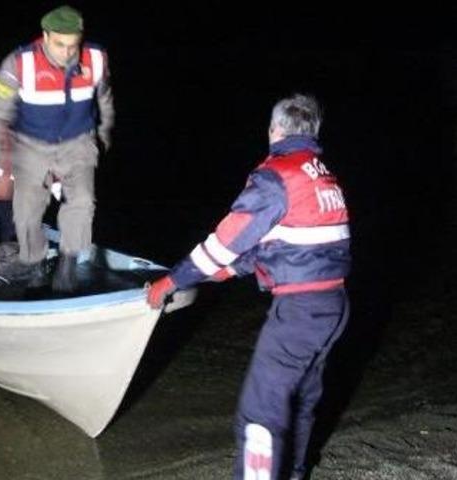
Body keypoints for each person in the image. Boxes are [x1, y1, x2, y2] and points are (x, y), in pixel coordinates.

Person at [147, 94, 351, 480]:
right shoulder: (322, 175)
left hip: (299, 312)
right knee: (302, 401)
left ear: (274, 130)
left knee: (260, 414)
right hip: (333, 305)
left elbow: (223, 243)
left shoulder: (276, 176)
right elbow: (289, 245)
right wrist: (224, 273)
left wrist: (170, 281)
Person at [0, 4, 114, 291]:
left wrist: (105, 129)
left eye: (73, 45)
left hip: (78, 141)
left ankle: (68, 263)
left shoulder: (96, 58)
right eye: (59, 45)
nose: (67, 52)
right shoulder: (19, 64)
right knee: (25, 211)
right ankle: (34, 262)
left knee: (82, 201)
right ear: (45, 36)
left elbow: (105, 95)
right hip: (32, 145)